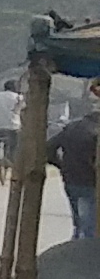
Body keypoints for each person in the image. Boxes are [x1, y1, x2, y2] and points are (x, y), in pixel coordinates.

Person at [59, 93, 96, 250]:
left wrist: (61, 165)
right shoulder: (95, 131)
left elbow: (48, 147)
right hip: (91, 181)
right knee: (89, 224)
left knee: (79, 222)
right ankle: (85, 255)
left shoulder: (70, 128)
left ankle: (76, 249)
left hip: (70, 179)